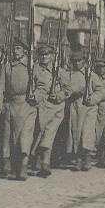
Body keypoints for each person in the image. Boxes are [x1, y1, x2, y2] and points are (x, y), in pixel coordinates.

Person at [0, 38, 36, 181]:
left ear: (24, 50)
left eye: (18, 49)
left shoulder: (32, 66)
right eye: (14, 49)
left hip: (27, 105)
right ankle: (9, 166)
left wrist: (36, 96)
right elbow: (0, 86)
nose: (16, 52)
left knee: (25, 136)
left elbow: (41, 85)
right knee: (8, 137)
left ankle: (23, 167)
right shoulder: (7, 66)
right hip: (11, 105)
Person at [29, 44, 68, 177]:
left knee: (48, 133)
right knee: (39, 133)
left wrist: (58, 96)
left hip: (56, 108)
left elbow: (68, 90)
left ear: (53, 56)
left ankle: (45, 163)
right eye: (42, 55)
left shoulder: (60, 71)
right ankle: (37, 157)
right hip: (39, 105)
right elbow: (31, 85)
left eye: (47, 54)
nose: (44, 57)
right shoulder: (35, 69)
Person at [88, 60, 105, 169]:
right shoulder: (93, 76)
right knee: (96, 131)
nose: (100, 69)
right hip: (93, 106)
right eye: (98, 67)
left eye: (102, 67)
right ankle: (97, 153)